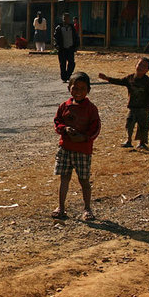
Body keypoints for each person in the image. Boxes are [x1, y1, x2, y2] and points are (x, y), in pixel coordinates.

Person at [52, 72, 101, 221]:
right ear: (69, 89)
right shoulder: (64, 106)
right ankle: (61, 207)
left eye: (82, 88)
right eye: (75, 88)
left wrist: (84, 138)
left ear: (88, 90)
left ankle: (87, 209)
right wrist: (64, 129)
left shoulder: (91, 109)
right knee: (64, 178)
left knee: (84, 180)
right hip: (65, 149)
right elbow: (57, 122)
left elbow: (96, 128)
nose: (78, 92)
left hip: (83, 150)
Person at [98, 57, 149, 150]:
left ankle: (142, 143)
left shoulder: (148, 81)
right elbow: (120, 81)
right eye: (139, 64)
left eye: (144, 66)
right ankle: (128, 141)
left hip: (143, 108)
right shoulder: (130, 78)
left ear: (147, 70)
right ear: (135, 65)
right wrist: (107, 78)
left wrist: (148, 107)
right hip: (132, 107)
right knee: (129, 124)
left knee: (143, 126)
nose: (141, 67)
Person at [53, 12, 80, 82]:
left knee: (71, 63)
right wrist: (56, 45)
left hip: (70, 47)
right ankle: (64, 77)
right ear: (62, 19)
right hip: (62, 48)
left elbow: (76, 37)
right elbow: (55, 38)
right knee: (62, 63)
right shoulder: (59, 28)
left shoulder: (72, 27)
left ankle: (68, 75)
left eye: (67, 18)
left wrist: (76, 45)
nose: (66, 20)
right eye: (64, 18)